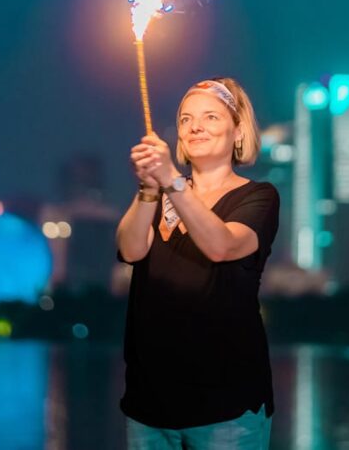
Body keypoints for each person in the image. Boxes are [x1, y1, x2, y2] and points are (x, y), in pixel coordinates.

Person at [116, 77, 279, 449]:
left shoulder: (258, 197)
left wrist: (172, 180)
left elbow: (221, 245)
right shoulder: (160, 192)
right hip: (148, 404)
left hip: (225, 408)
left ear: (238, 132)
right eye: (186, 119)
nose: (196, 127)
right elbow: (130, 250)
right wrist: (147, 188)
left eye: (210, 117)